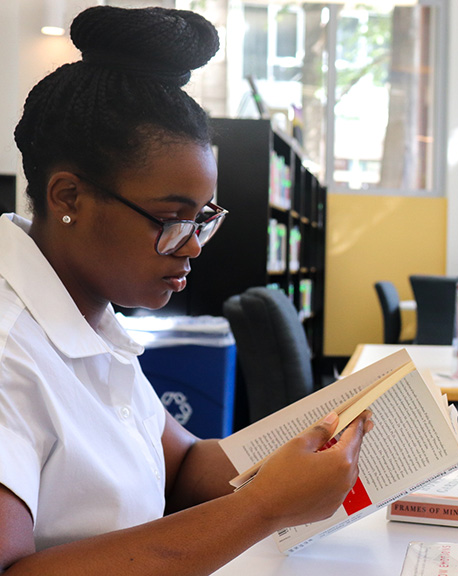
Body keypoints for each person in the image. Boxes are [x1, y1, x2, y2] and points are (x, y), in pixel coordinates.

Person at [0, 6, 371, 575]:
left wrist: (319, 441)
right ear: (68, 197)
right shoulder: (9, 346)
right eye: (170, 217)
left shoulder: (91, 316)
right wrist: (265, 506)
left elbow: (184, 464)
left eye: (203, 218)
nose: (194, 245)